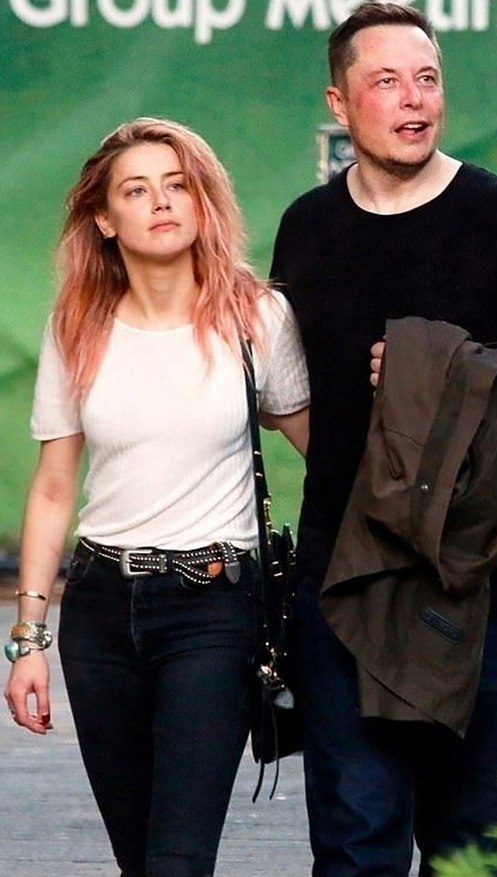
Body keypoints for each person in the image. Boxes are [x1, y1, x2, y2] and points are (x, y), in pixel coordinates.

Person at [269, 3, 497, 876]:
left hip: (480, 585)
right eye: (386, 81)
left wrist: (451, 378)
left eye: (427, 79)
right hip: (345, 584)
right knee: (353, 846)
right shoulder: (308, 226)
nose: (414, 99)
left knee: (467, 849)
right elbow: (311, 406)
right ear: (339, 104)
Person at [3, 117, 309, 877]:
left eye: (177, 185)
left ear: (203, 201)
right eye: (136, 191)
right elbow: (52, 488)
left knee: (178, 860)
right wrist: (29, 639)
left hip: (215, 607)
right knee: (138, 859)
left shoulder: (256, 316)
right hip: (101, 609)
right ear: (105, 220)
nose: (162, 202)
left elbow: (326, 452)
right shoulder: (77, 325)